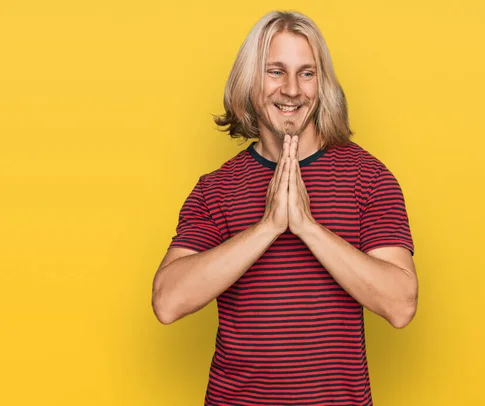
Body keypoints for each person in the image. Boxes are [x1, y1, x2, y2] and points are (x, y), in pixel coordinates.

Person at [151, 10, 418, 405]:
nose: (292, 89)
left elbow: (400, 306)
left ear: (321, 84)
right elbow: (167, 302)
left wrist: (308, 228)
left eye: (306, 73)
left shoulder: (369, 178)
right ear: (249, 82)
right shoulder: (217, 188)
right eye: (275, 71)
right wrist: (267, 227)